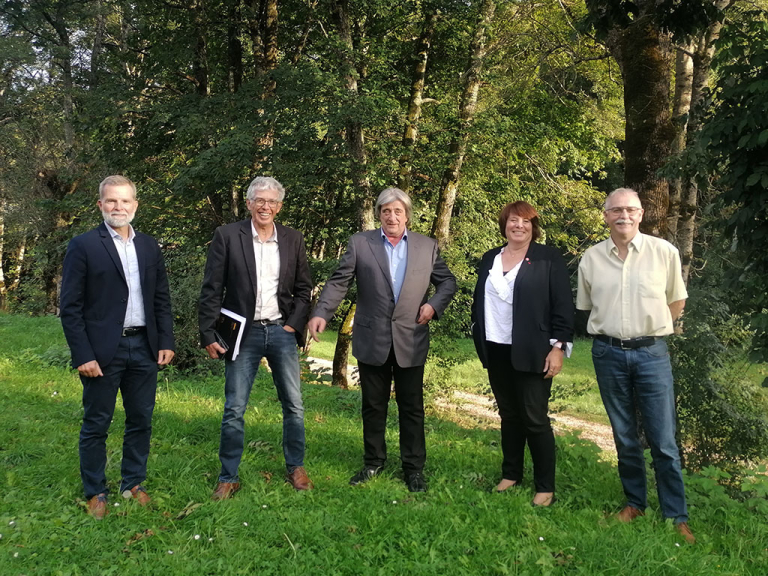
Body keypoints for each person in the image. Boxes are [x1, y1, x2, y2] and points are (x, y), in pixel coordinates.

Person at [307, 187, 456, 492]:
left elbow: (448, 282)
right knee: (373, 405)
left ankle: (413, 469)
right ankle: (373, 462)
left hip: (410, 337)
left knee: (411, 407)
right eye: (386, 211)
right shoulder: (361, 244)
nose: (391, 216)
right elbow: (339, 281)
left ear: (407, 216)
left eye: (397, 211)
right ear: (378, 214)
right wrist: (322, 312)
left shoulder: (426, 246)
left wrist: (433, 305)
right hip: (372, 337)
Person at [576, 187, 694, 543]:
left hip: (651, 353)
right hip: (607, 353)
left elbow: (676, 302)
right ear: (606, 215)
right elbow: (586, 306)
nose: (623, 216)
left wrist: (649, 330)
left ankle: (676, 515)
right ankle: (634, 503)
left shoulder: (664, 253)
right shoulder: (591, 258)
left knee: (663, 440)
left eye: (630, 210)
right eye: (616, 210)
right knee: (625, 435)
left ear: (641, 214)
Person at [60, 175, 175, 519]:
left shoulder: (150, 246)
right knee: (97, 422)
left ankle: (132, 484)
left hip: (144, 346)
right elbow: (70, 307)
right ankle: (96, 491)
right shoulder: (84, 245)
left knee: (141, 419)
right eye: (111, 201)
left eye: (125, 201)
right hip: (102, 351)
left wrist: (166, 340)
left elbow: (161, 298)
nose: (118, 207)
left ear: (135, 206)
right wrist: (83, 354)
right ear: (100, 205)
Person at [199, 176, 313, 498]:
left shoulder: (293, 239)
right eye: (259, 200)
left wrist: (293, 324)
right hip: (242, 335)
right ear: (249, 203)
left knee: (294, 404)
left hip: (281, 331)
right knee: (234, 407)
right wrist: (208, 332)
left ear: (279, 206)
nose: (265, 206)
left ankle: (295, 467)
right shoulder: (227, 236)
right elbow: (212, 288)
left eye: (272, 201)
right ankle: (228, 476)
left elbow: (304, 289)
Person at [470, 201, 573, 506]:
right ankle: (511, 473)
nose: (519, 226)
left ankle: (545, 487)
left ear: (534, 226)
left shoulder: (548, 258)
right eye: (513, 220)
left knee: (534, 418)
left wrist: (558, 347)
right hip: (495, 347)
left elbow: (563, 305)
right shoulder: (490, 257)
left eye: (526, 221)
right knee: (509, 416)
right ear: (504, 224)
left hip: (533, 350)